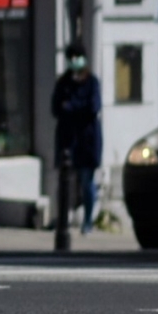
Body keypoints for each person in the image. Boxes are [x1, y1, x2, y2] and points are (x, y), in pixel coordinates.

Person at [51, 50, 103, 233]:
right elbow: (56, 108)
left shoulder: (92, 82)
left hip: (87, 140)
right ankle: (63, 221)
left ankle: (87, 222)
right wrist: (76, 107)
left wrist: (71, 106)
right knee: (64, 181)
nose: (74, 62)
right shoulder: (63, 83)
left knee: (86, 181)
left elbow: (94, 107)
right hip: (68, 139)